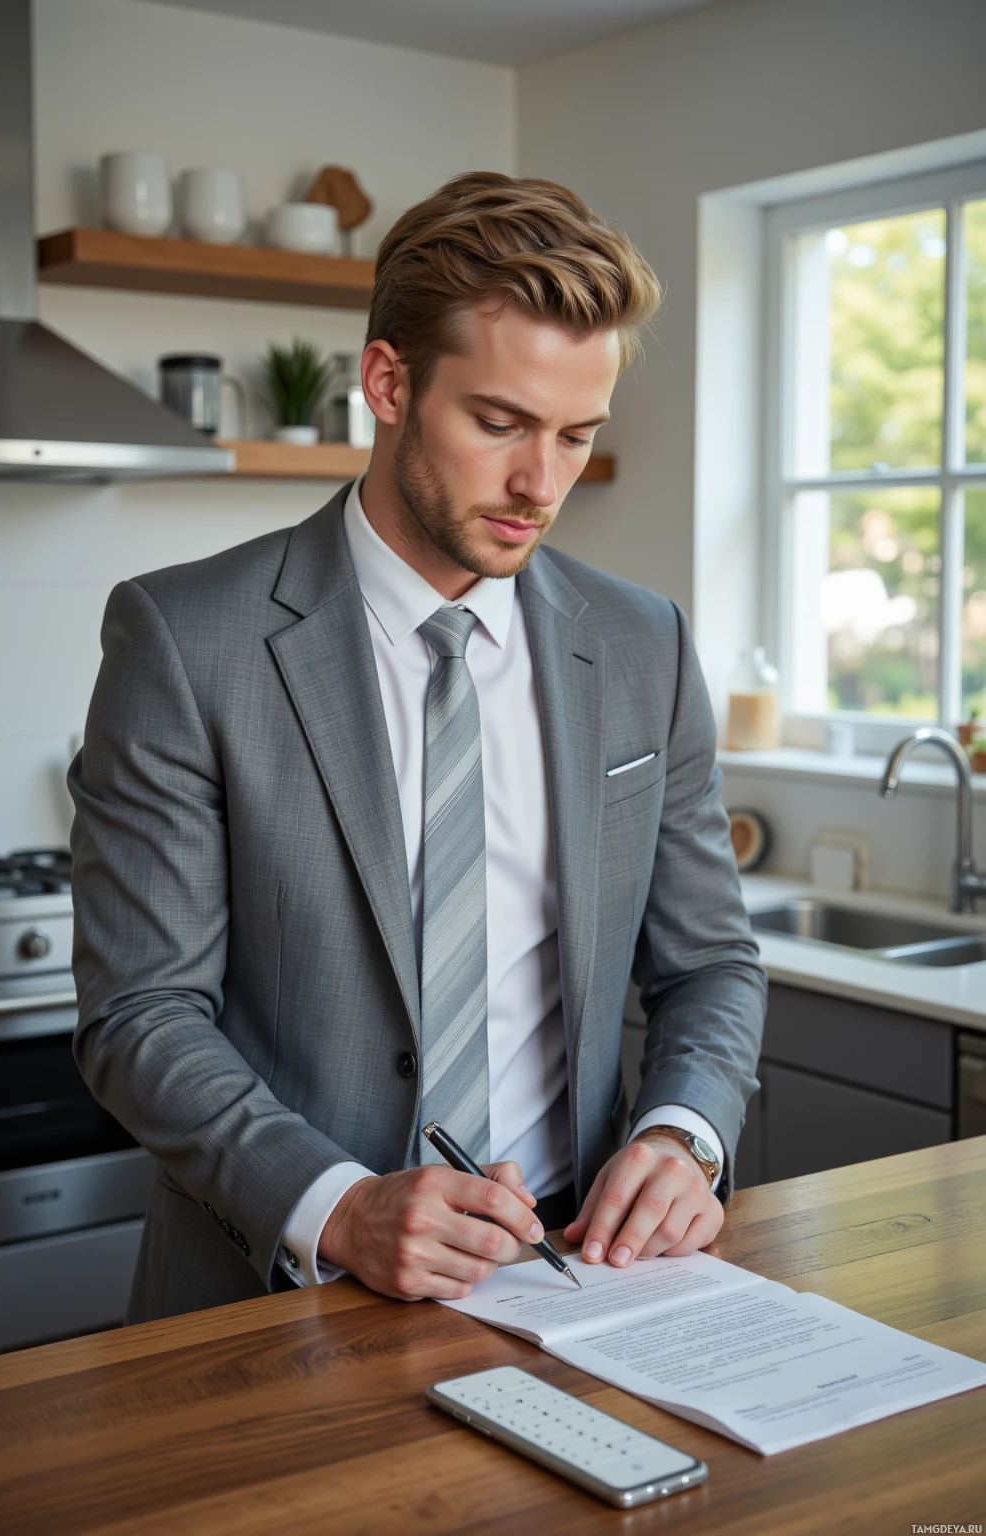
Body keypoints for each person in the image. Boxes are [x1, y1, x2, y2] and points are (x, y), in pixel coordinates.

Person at [69, 172, 765, 1322]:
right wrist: (336, 1205)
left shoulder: (643, 644)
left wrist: (684, 1136)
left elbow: (709, 968)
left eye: (576, 436)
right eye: (497, 424)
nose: (541, 484)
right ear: (387, 383)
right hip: (277, 1293)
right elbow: (139, 1015)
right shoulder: (185, 639)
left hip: (576, 1277)